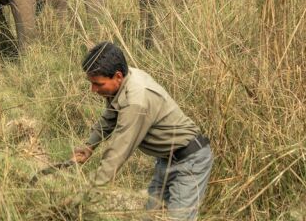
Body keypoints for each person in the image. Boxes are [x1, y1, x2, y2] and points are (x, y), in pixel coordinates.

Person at [73, 41, 213, 220]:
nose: (93, 90)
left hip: (190, 162)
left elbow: (117, 153)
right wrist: (89, 146)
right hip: (165, 160)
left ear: (117, 76)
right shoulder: (126, 78)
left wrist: (87, 196)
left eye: (98, 84)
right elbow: (110, 117)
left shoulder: (136, 100)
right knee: (149, 217)